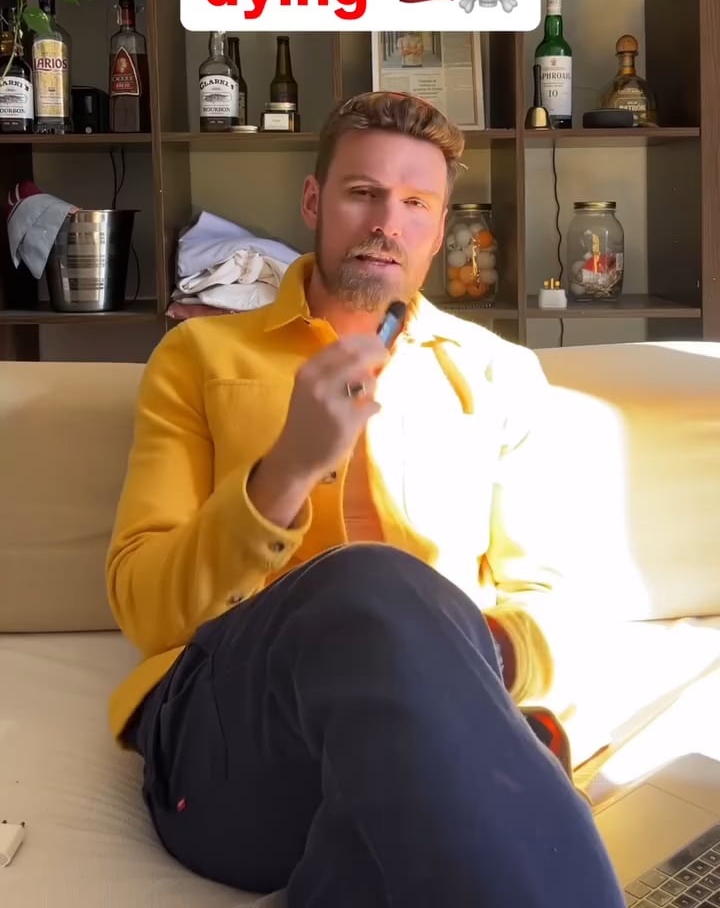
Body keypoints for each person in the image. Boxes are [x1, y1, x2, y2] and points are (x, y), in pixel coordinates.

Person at [106, 90, 624, 908]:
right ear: (315, 202)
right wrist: (283, 475)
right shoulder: (197, 356)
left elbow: (551, 603)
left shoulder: (499, 374)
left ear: (440, 228)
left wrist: (450, 668)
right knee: (370, 583)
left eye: (416, 203)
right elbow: (145, 608)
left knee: (421, 789)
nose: (388, 222)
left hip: (428, 729)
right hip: (232, 740)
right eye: (363, 193)